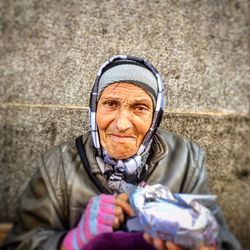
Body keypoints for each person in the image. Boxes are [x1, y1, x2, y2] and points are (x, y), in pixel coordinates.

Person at [1, 55, 242, 250]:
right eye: (110, 104)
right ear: (94, 108)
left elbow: (223, 241)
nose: (122, 123)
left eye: (139, 108)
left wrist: (197, 240)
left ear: (156, 116)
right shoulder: (57, 165)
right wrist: (71, 242)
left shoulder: (186, 157)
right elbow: (19, 243)